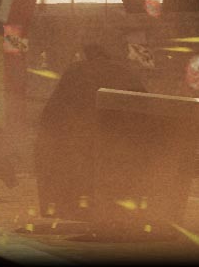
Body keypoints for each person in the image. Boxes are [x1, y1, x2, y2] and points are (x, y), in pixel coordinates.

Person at [33, 42, 146, 219]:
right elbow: (144, 104)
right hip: (117, 139)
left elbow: (57, 105)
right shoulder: (125, 72)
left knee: (67, 157)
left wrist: (47, 130)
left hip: (81, 136)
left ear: (87, 55)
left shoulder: (76, 70)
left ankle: (67, 205)